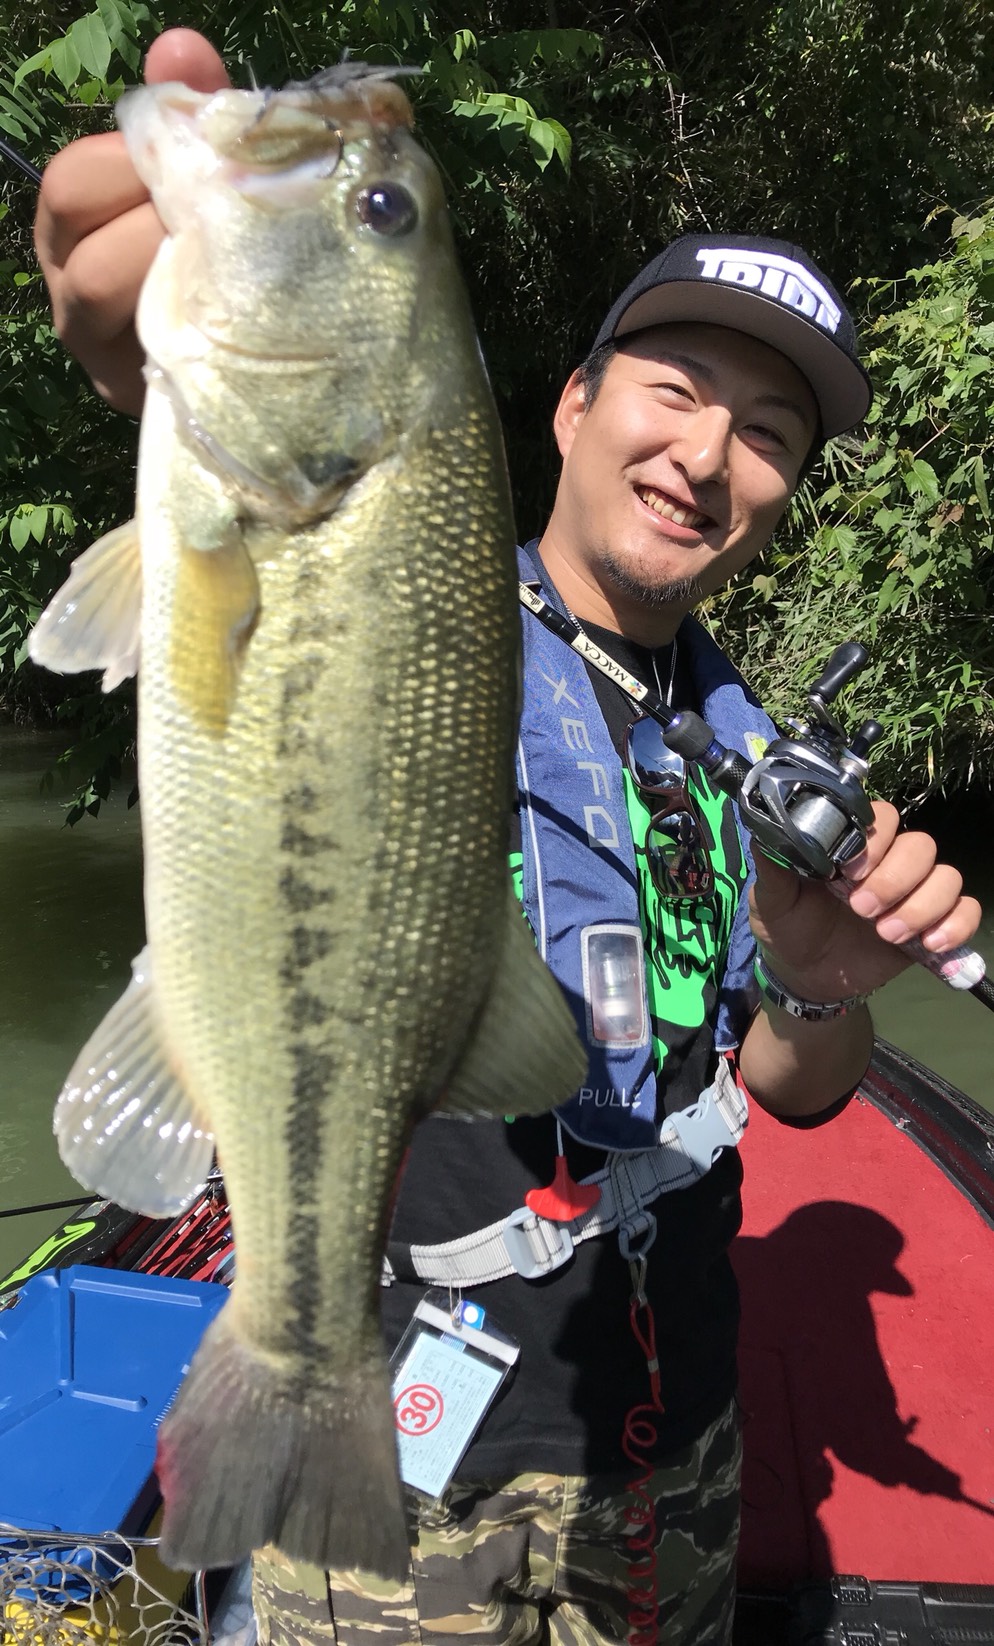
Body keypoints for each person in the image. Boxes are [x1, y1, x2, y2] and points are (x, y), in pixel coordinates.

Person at [34, 30, 982, 1646]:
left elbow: (785, 1087)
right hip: (412, 1459)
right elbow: (216, 464)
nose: (708, 455)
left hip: (671, 1458)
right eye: (676, 390)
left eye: (768, 431)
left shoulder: (745, 750)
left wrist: (817, 981)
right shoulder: (432, 602)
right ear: (567, 403)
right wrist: (162, 350)